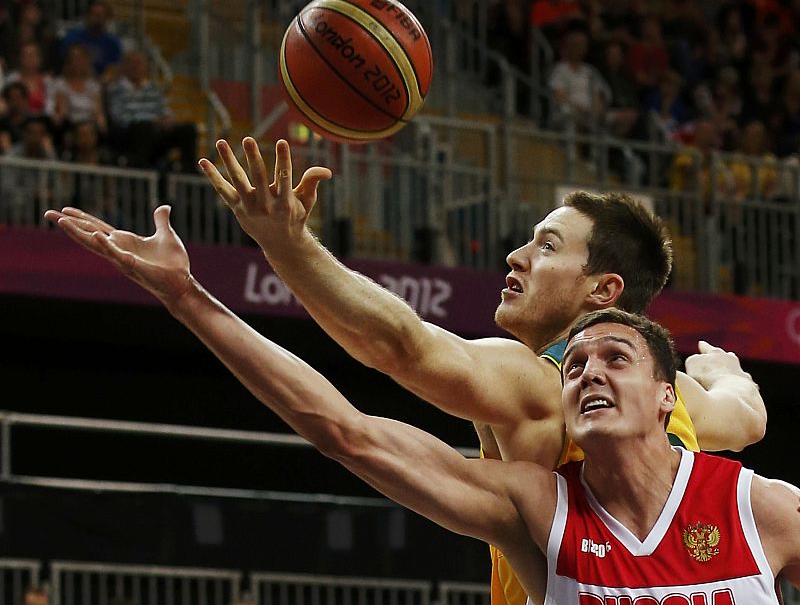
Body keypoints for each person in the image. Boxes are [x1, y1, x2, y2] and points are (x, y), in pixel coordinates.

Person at [39, 208, 800, 602]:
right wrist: (188, 297)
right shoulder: (541, 509)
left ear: (666, 394)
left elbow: (403, 344)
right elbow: (347, 432)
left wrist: (289, 248)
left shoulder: (756, 509)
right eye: (574, 365)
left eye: (614, 358)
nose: (585, 373)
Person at [197, 138, 767, 605]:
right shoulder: (675, 394)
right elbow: (747, 418)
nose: (516, 256)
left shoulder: (539, 382)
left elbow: (400, 346)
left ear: (603, 289)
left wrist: (288, 245)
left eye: (546, 246)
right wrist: (724, 371)